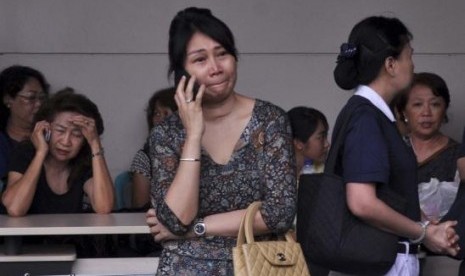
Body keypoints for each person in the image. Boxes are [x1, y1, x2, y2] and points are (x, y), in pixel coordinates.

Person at [145, 7, 296, 275]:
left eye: (222, 54)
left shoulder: (270, 121)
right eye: (200, 59)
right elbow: (177, 219)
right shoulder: (167, 134)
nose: (215, 68)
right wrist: (193, 136)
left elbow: (280, 213)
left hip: (258, 266)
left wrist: (199, 228)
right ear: (182, 71)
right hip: (186, 268)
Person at [329, 16, 459, 275]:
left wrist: (426, 224)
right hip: (380, 263)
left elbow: (385, 195)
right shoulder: (366, 117)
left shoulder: (371, 115)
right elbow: (362, 202)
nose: (412, 65)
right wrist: (423, 233)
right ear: (390, 64)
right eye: (409, 56)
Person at [2, 88, 114, 216]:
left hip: (72, 236)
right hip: (30, 236)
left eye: (77, 135)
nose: (66, 142)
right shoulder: (25, 152)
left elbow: (104, 207)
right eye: (60, 131)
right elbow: (14, 208)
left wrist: (95, 143)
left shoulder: (84, 160)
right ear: (45, 129)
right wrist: (40, 153)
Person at [0, 65, 49, 185]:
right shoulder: (2, 143)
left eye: (42, 98)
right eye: (30, 98)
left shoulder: (52, 137)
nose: (38, 104)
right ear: (8, 99)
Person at [130, 87, 177, 209]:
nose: (160, 119)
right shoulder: (144, 157)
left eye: (166, 113)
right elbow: (141, 208)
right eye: (156, 113)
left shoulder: (197, 151)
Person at [288, 106, 329, 176]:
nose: (327, 144)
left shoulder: (325, 172)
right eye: (321, 137)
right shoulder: (278, 179)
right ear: (298, 143)